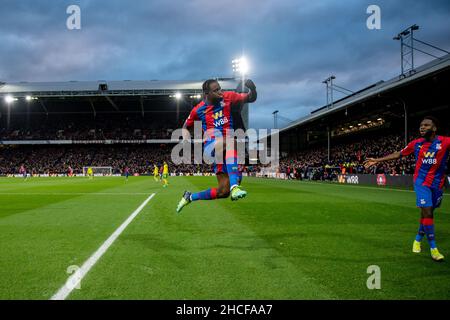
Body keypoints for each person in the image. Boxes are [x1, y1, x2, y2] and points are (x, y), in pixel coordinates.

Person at [364, 116, 449, 262]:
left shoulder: (445, 141)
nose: (422, 127)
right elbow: (398, 154)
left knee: (427, 215)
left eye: (426, 125)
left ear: (434, 128)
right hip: (421, 182)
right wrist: (377, 160)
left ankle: (417, 239)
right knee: (427, 211)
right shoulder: (416, 144)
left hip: (438, 183)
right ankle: (434, 249)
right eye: (421, 125)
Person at [176, 78, 257, 213]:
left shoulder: (228, 97)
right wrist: (185, 139)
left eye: (220, 88)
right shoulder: (198, 109)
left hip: (227, 149)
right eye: (216, 90)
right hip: (211, 146)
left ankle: (189, 197)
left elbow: (251, 98)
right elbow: (185, 127)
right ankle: (235, 187)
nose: (220, 92)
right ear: (206, 93)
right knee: (231, 141)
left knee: (223, 191)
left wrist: (253, 89)